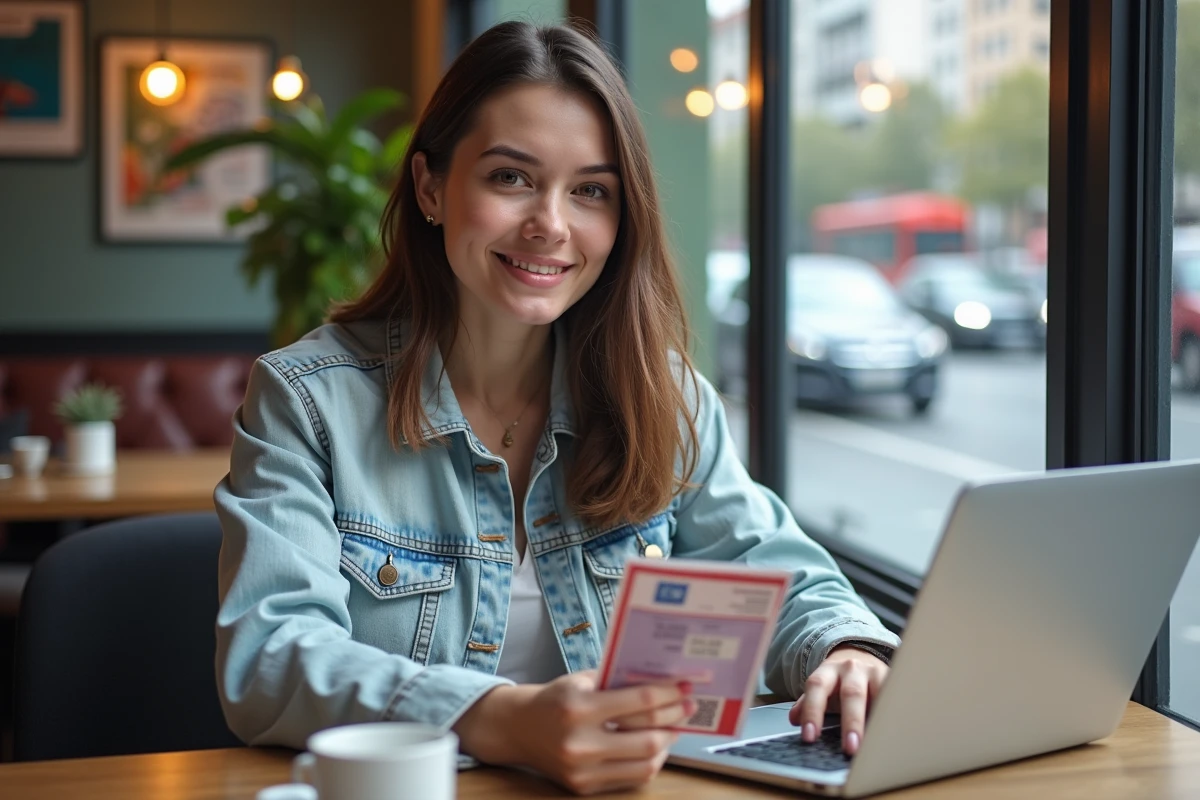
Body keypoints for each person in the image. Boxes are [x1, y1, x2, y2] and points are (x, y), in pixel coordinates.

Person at [214, 20, 901, 797]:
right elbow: (271, 657)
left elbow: (772, 566)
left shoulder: (665, 396)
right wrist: (503, 719)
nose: (551, 223)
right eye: (510, 178)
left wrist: (847, 650)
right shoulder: (307, 399)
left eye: (590, 191)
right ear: (432, 187)